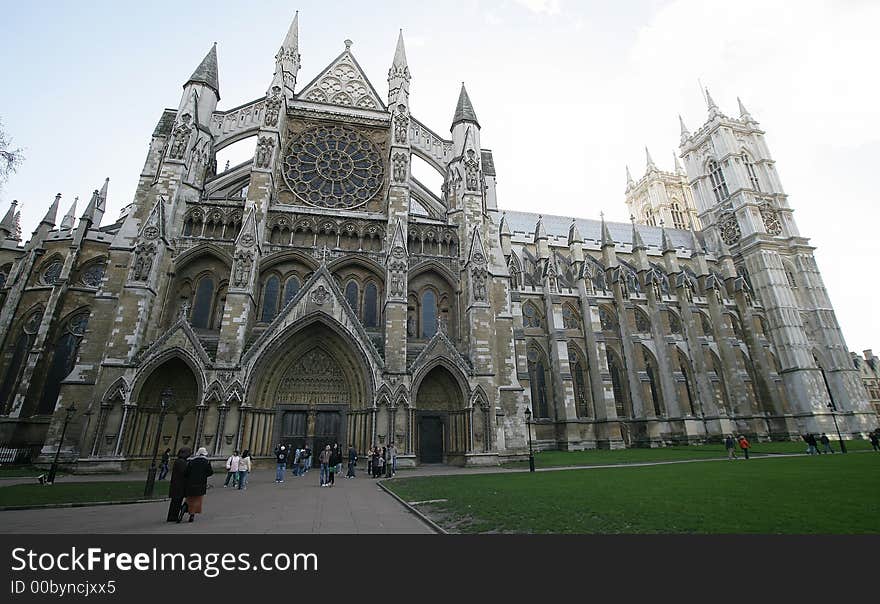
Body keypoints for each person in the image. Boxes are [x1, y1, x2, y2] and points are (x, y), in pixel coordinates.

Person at [182, 447, 214, 523]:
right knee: (198, 499)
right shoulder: (206, 462)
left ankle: (186, 508)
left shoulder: (192, 461)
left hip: (191, 483)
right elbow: (210, 472)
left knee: (190, 498)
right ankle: (192, 514)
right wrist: (204, 475)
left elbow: (186, 472)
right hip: (201, 483)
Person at [166, 447, 191, 522]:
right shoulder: (181, 462)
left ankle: (173, 516)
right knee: (176, 502)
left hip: (177, 485)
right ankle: (173, 516)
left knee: (176, 501)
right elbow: (185, 472)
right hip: (178, 485)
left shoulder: (180, 461)